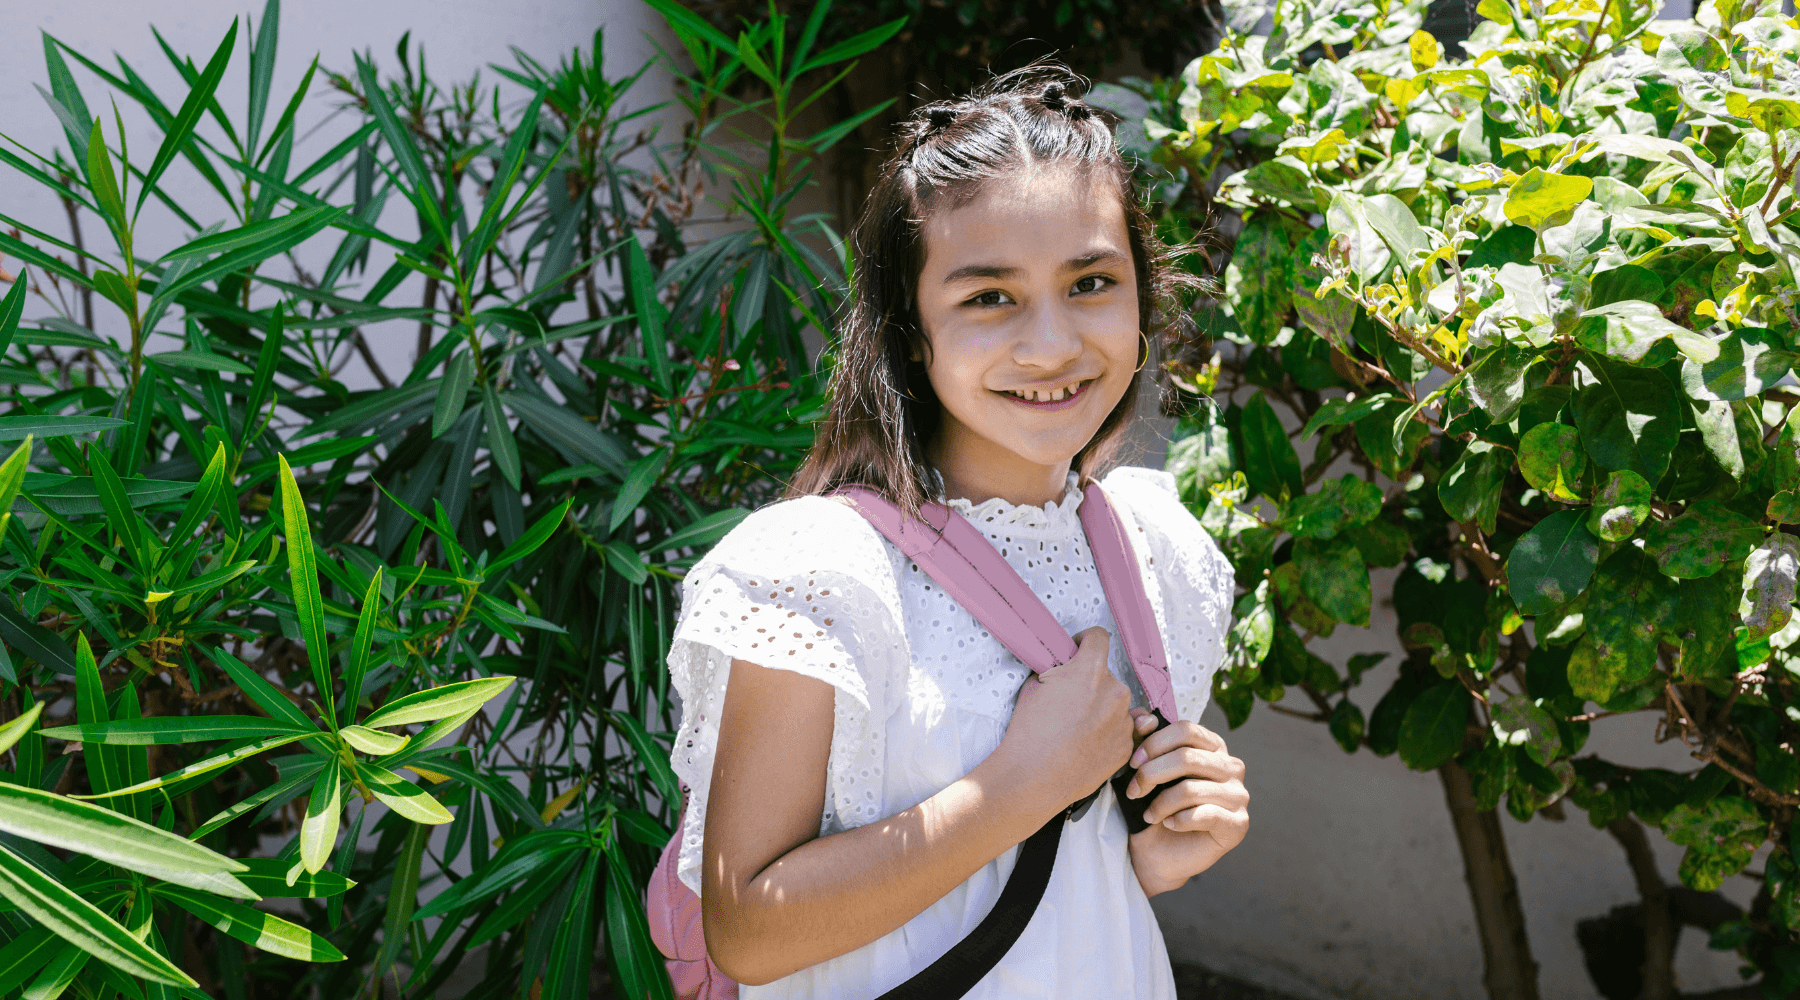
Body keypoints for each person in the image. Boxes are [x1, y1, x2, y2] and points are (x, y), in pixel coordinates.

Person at [664, 63, 1248, 999]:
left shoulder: (1156, 551)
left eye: (1092, 281)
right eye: (989, 297)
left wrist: (1163, 846)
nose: (1052, 344)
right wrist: (1017, 787)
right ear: (911, 333)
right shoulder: (818, 570)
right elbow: (750, 931)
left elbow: (1044, 900)